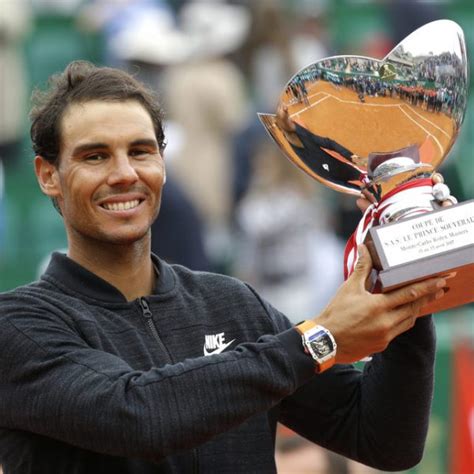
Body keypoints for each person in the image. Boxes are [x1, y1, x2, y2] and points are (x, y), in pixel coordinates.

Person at [0, 61, 448, 473]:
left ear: (161, 161)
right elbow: (137, 414)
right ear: (47, 175)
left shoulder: (231, 305)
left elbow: (384, 439)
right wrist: (317, 340)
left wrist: (405, 268)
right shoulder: (19, 327)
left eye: (140, 151)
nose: (123, 173)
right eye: (94, 156)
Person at [275, 104, 363, 190]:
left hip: (335, 169)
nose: (292, 121)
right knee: (360, 184)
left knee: (360, 176)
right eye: (290, 120)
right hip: (333, 174)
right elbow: (287, 128)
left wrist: (351, 157)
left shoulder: (302, 138)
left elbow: (328, 143)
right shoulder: (296, 139)